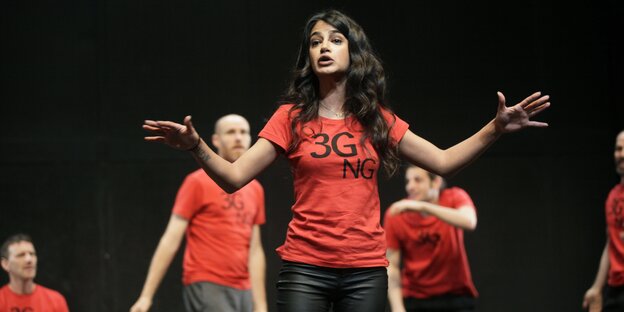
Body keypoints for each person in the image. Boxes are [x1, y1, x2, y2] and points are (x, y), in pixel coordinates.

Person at [141, 9, 550, 312]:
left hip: (365, 269)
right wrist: (197, 145)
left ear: (354, 53)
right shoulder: (291, 118)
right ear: (308, 57)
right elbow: (233, 177)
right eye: (316, 42)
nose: (324, 48)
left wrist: (495, 128)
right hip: (305, 267)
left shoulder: (376, 120)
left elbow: (442, 162)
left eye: (335, 40)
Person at [131, 114, 267, 312]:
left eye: (243, 132)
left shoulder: (255, 189)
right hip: (208, 283)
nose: (238, 137)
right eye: (231, 132)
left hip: (244, 289)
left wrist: (260, 303)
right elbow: (171, 239)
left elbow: (255, 249)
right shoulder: (197, 182)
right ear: (215, 140)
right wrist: (146, 296)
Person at [384, 166, 478, 312]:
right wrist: (397, 308)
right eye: (408, 181)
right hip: (416, 299)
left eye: (418, 180)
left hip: (456, 297)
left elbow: (469, 221)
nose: (410, 187)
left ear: (436, 183)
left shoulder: (454, 197)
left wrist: (424, 207)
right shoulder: (396, 212)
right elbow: (392, 266)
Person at [583, 130, 624, 312]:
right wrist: (597, 288)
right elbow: (611, 242)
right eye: (618, 149)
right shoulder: (613, 196)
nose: (621, 154)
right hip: (615, 288)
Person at [0, 233, 69, 312]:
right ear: (5, 264)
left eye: (32, 254)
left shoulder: (56, 300)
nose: (29, 259)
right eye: (21, 255)